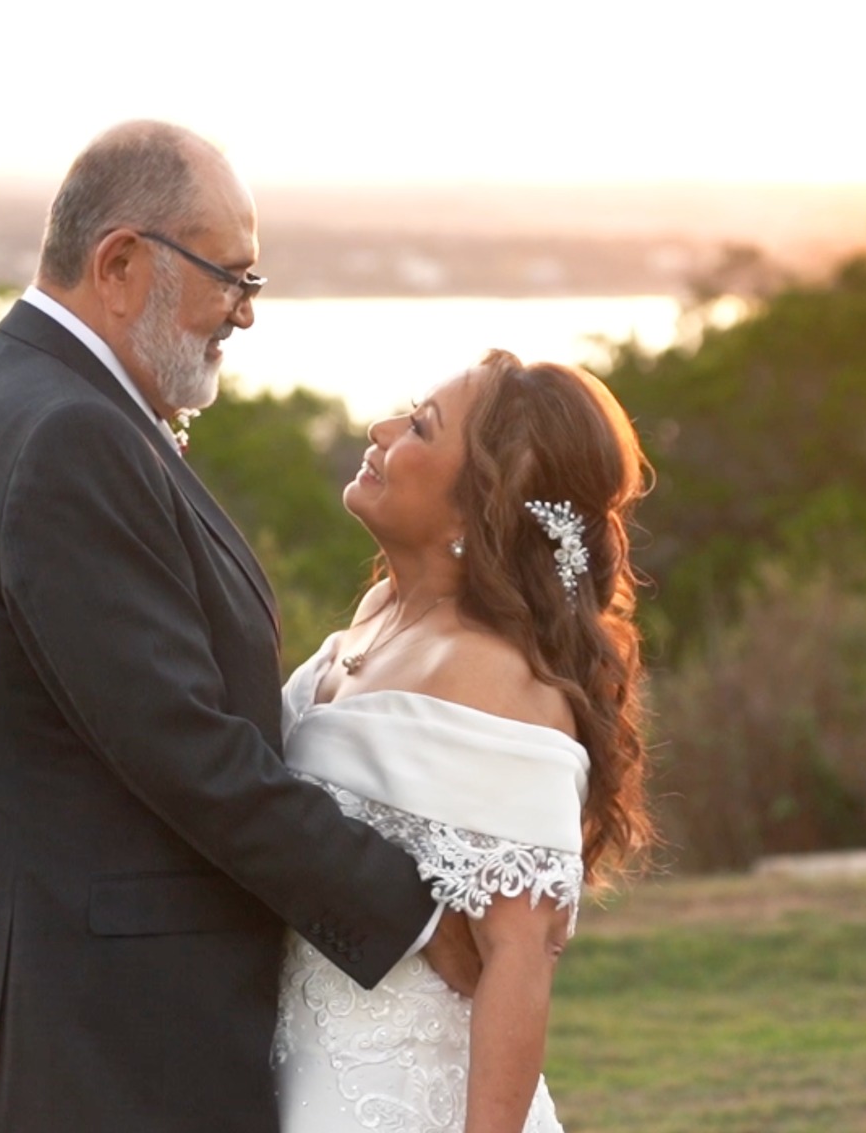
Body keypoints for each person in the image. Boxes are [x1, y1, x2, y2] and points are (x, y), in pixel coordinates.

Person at [0, 121, 476, 1133]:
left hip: (41, 1021)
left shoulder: (2, 382)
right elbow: (185, 748)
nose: (245, 312)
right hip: (87, 1046)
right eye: (232, 277)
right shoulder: (67, 434)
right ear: (120, 263)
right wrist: (414, 911)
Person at [271, 349, 655, 1133]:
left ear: (472, 510)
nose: (378, 431)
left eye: (419, 427)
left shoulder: (495, 676)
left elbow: (522, 955)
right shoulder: (378, 611)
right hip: (301, 1072)